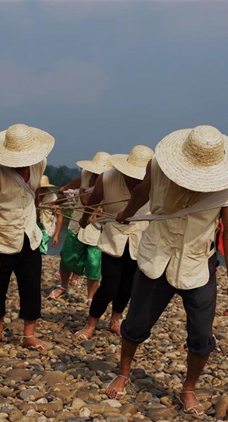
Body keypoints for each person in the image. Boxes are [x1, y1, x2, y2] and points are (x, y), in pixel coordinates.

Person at [106, 126, 228, 416]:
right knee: (136, 323)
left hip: (198, 263)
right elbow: (141, 193)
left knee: (201, 333)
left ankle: (189, 388)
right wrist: (127, 214)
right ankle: (123, 371)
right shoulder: (157, 166)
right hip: (156, 254)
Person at [0, 124, 55, 351]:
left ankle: (29, 333)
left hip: (29, 236)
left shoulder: (39, 163)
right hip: (1, 237)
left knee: (31, 285)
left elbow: (33, 195)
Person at [74, 145, 154, 340]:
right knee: (110, 284)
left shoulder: (155, 183)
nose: (136, 180)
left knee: (128, 285)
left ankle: (115, 320)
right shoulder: (107, 178)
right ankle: (90, 323)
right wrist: (85, 220)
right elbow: (93, 202)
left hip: (140, 239)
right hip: (114, 238)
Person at [48, 152, 113, 302]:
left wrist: (84, 199)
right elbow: (74, 186)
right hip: (77, 224)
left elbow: (89, 203)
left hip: (96, 229)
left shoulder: (110, 184)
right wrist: (61, 193)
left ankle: (90, 297)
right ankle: (63, 286)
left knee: (94, 264)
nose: (97, 175)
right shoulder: (86, 174)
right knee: (67, 257)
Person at [36, 175, 63, 255]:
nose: (42, 190)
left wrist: (56, 235)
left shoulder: (52, 197)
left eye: (44, 188)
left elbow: (59, 216)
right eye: (40, 188)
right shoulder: (32, 194)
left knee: (40, 248)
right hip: (33, 224)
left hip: (46, 226)